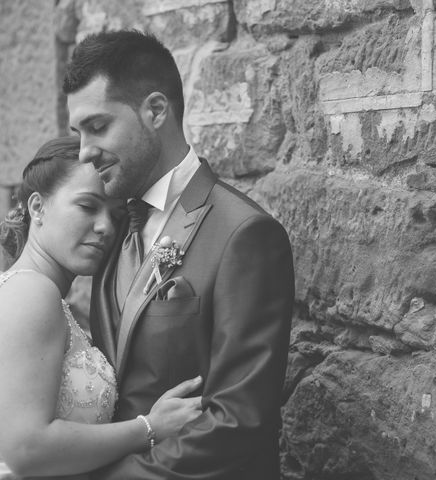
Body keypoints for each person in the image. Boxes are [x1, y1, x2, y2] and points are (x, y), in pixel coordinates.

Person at [64, 30, 295, 479]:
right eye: (78, 133)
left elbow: (238, 422)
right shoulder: (113, 227)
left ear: (155, 110)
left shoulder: (245, 234)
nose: (84, 153)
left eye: (98, 126)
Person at [0, 136, 203, 480]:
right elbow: (28, 448)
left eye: (115, 215)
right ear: (37, 208)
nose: (105, 228)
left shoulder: (19, 289)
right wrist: (149, 428)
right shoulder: (31, 292)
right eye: (87, 206)